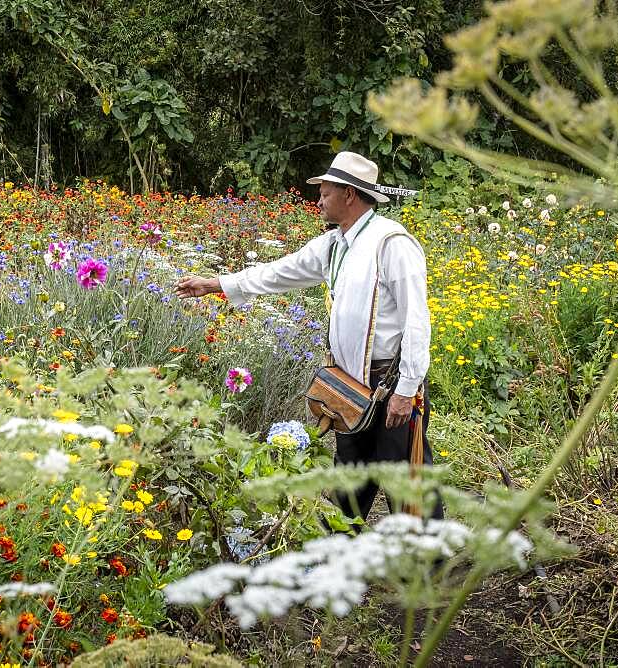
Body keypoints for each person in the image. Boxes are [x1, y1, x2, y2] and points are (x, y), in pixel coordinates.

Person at [175, 151, 442, 522]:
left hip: (391, 385)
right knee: (349, 479)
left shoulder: (392, 244)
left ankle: (430, 569)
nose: (319, 200)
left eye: (326, 192)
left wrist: (407, 390)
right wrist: (217, 284)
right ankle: (343, 564)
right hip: (350, 389)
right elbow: (279, 272)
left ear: (349, 194)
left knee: (407, 482)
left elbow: (417, 320)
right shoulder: (334, 244)